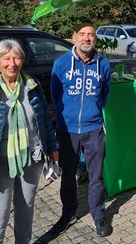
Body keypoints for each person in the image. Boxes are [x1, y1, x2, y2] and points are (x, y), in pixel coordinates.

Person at [0, 39, 59, 244]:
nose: (12, 63)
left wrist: (52, 147)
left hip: (31, 159)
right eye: (6, 58)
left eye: (16, 58)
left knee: (26, 209)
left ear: (22, 61)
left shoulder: (32, 87)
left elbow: (44, 120)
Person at [46, 22, 112, 238]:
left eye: (91, 34)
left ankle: (98, 214)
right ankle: (68, 213)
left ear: (95, 38)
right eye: (82, 34)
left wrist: (94, 113)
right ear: (73, 37)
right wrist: (68, 119)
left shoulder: (103, 63)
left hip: (93, 129)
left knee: (96, 176)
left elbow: (105, 93)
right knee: (68, 176)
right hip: (68, 130)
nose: (86, 38)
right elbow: (55, 95)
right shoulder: (61, 63)